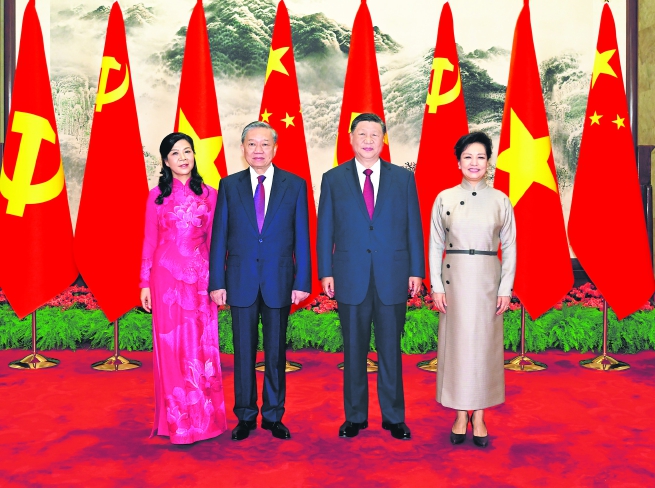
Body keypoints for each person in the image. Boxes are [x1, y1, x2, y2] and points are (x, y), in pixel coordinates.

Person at [317, 112, 424, 440]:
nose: (367, 140)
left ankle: (394, 417)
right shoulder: (333, 179)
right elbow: (325, 229)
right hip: (350, 276)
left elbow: (413, 228)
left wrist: (416, 271)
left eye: (374, 135)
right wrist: (325, 272)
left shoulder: (402, 179)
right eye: (361, 134)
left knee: (390, 350)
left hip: (392, 276)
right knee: (354, 351)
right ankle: (355, 417)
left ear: (383, 140)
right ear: (351, 138)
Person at [209, 121, 311, 441]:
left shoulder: (295, 185)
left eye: (265, 144)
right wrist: (217, 281)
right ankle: (245, 415)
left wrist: (302, 280)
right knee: (243, 353)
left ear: (275, 148)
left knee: (276, 353)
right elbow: (219, 237)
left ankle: (273, 415)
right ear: (242, 148)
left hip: (279, 281)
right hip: (240, 281)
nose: (258, 150)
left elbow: (302, 237)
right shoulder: (229, 185)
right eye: (251, 144)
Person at [429, 131, 516, 448]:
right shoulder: (445, 198)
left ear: (489, 162)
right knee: (456, 348)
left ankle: (479, 415)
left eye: (481, 157)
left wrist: (505, 287)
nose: (474, 162)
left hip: (487, 281)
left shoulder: (500, 200)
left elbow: (510, 246)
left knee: (483, 349)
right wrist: (436, 285)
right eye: (468, 157)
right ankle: (459, 415)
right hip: (454, 281)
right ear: (458, 162)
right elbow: (435, 244)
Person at [140, 132, 227, 444]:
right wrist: (144, 282)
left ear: (194, 155)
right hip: (164, 281)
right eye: (175, 153)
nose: (182, 158)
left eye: (187, 151)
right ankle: (176, 424)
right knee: (170, 346)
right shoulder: (156, 197)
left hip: (201, 280)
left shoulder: (211, 195)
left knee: (202, 345)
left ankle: (205, 421)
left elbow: (217, 242)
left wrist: (219, 280)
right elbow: (149, 241)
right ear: (165, 161)